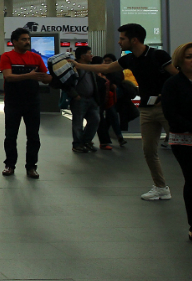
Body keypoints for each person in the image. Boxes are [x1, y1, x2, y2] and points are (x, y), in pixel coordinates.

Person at [73, 23, 178, 200]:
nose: (119, 42)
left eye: (122, 38)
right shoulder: (129, 59)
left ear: (134, 40)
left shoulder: (158, 55)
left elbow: (176, 76)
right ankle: (161, 187)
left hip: (166, 109)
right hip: (146, 109)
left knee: (181, 149)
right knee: (149, 151)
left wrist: (165, 95)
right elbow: (106, 68)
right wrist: (79, 65)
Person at [162, 43, 192, 248]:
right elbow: (172, 116)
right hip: (186, 141)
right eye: (189, 57)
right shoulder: (174, 84)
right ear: (180, 62)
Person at [0, 28, 52, 179]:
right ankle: (9, 165)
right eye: (23, 39)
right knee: (10, 136)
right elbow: (8, 77)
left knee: (33, 136)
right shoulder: (6, 56)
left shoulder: (35, 57)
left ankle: (31, 167)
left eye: (28, 39)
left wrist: (54, 75)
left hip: (32, 102)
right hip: (13, 102)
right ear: (14, 42)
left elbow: (45, 78)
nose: (27, 42)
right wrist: (30, 75)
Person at [70, 46, 101, 153]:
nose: (91, 55)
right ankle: (78, 144)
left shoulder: (89, 67)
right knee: (78, 122)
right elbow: (67, 84)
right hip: (79, 99)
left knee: (95, 119)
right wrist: (75, 95)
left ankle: (86, 141)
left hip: (91, 99)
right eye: (89, 53)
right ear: (83, 56)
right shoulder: (74, 68)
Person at [94, 55, 126, 150]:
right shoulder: (100, 73)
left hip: (110, 99)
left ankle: (111, 138)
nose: (107, 62)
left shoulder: (116, 72)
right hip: (103, 100)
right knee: (106, 118)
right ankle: (112, 138)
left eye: (109, 60)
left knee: (109, 117)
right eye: (105, 61)